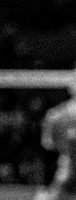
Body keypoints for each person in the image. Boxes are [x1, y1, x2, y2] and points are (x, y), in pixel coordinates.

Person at [37, 71, 76, 200]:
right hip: (66, 168)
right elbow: (47, 146)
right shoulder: (55, 116)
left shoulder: (55, 115)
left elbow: (48, 145)